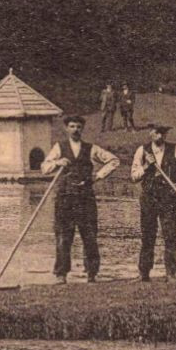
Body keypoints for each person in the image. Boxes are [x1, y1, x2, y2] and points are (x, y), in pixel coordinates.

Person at [40, 115, 120, 284]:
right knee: (63, 236)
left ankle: (92, 273)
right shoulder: (59, 147)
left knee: (89, 236)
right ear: (66, 129)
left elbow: (114, 161)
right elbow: (44, 168)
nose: (75, 129)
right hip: (65, 198)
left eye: (78, 126)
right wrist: (57, 162)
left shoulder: (91, 148)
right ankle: (61, 274)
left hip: (85, 198)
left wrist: (97, 176)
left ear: (82, 129)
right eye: (72, 126)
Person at [129, 123, 176, 281]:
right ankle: (143, 274)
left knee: (170, 235)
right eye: (157, 132)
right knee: (147, 235)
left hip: (169, 197)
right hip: (149, 197)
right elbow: (134, 177)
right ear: (150, 133)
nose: (160, 136)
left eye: (163, 133)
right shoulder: (142, 151)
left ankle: (170, 273)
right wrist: (146, 165)